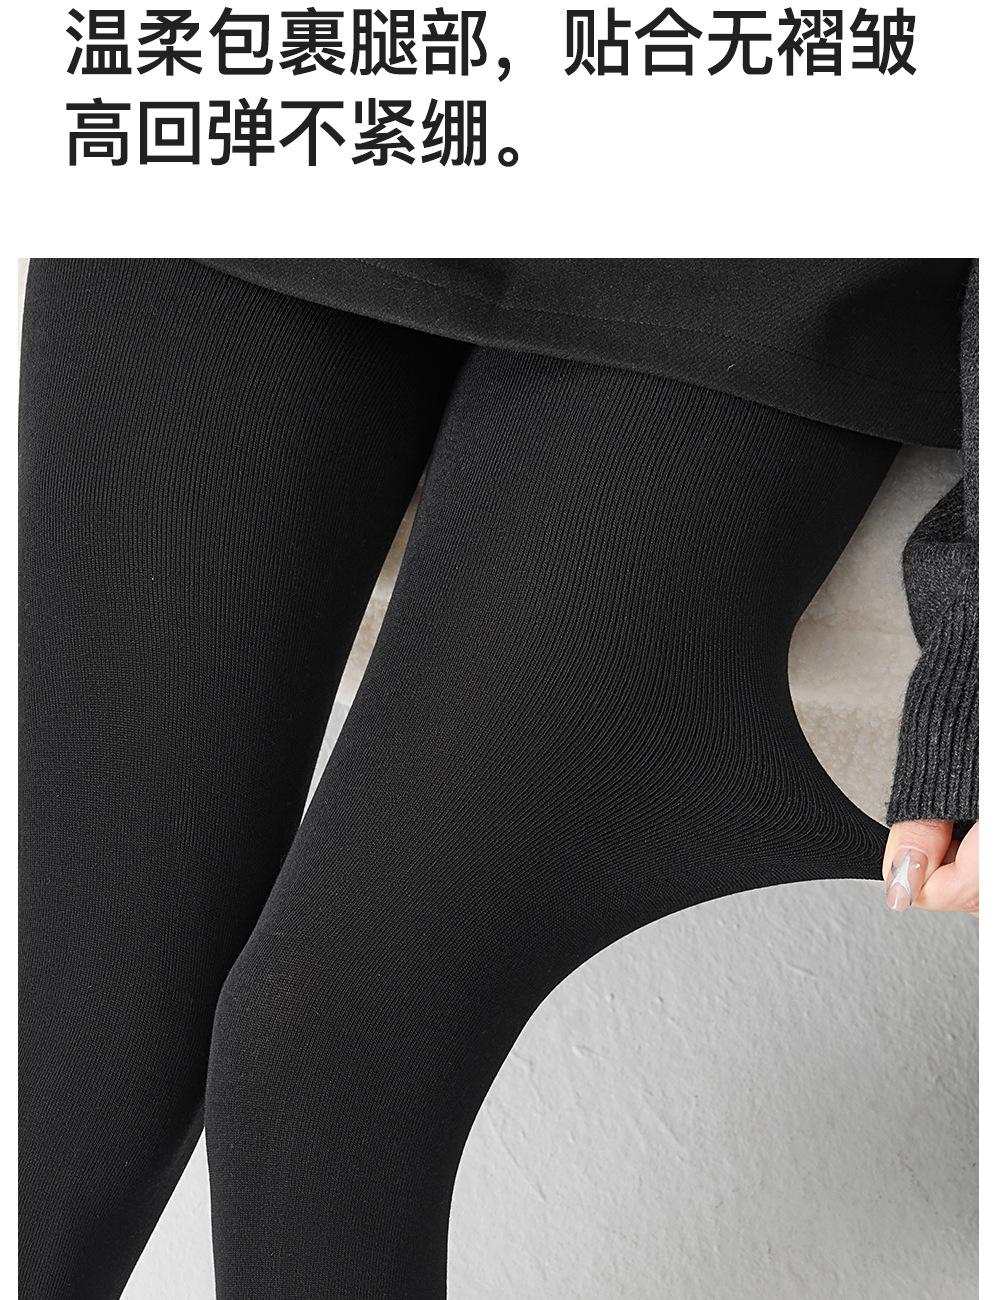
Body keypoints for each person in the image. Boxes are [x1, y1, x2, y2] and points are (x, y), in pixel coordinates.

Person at [19, 258, 978, 1299]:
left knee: (325, 1057)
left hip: (753, 275)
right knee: (71, 1047)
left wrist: (975, 656)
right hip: (261, 196)